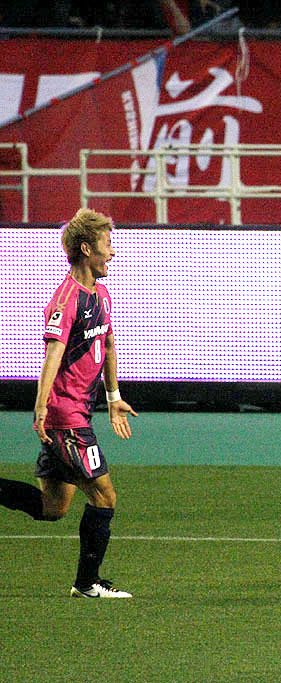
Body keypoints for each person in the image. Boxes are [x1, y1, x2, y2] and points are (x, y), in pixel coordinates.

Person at [0, 208, 137, 598]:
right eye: (107, 243)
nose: (113, 251)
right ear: (86, 248)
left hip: (80, 412)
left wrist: (113, 397)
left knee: (52, 507)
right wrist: (41, 406)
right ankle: (87, 583)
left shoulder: (100, 293)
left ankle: (86, 581)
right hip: (65, 417)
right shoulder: (66, 299)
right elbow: (53, 354)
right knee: (104, 496)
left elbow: (108, 344)